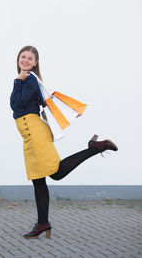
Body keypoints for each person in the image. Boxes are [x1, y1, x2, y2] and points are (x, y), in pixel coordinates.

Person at [10, 45, 118, 239]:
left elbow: (18, 103)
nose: (25, 60)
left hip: (34, 132)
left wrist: (18, 81)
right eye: (23, 56)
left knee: (56, 173)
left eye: (29, 58)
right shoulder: (24, 79)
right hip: (28, 134)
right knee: (38, 180)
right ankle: (42, 223)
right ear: (18, 58)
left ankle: (95, 148)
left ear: (35, 63)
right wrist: (18, 81)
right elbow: (15, 104)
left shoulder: (29, 80)